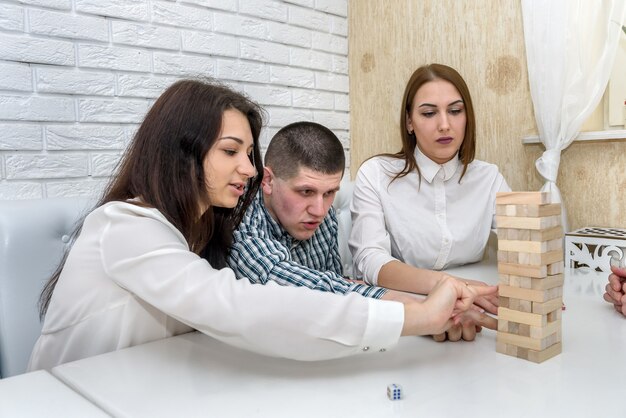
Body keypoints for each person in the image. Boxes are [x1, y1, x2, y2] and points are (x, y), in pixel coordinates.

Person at [28, 79, 496, 371]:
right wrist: (421, 314)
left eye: (249, 154)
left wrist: (435, 303)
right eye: (231, 151)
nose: (249, 169)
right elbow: (243, 305)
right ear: (181, 151)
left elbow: (326, 285)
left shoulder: (202, 231)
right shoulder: (126, 225)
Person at [350, 63, 510, 340]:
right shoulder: (376, 174)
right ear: (409, 122)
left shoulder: (489, 178)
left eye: (455, 111)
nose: (444, 124)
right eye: (428, 113)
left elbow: (525, 239)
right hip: (405, 311)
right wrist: (453, 287)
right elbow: (369, 260)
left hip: (474, 307)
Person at [228, 121, 421, 304]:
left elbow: (333, 285)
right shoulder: (240, 214)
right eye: (306, 192)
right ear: (268, 181)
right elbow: (276, 278)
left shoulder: (322, 215)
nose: (320, 211)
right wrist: (401, 303)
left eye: (329, 193)